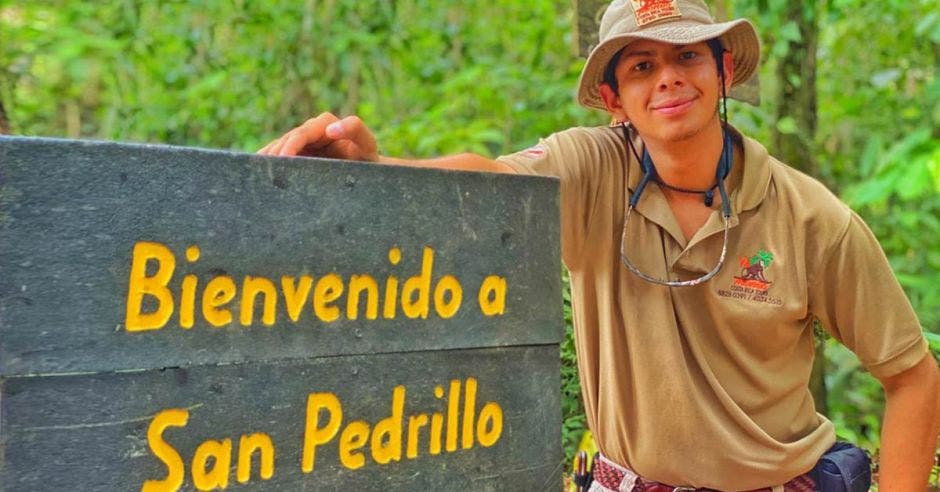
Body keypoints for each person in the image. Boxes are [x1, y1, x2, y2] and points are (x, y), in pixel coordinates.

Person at [259, 0, 940, 489]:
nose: (668, 77)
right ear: (614, 100)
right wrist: (376, 170)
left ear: (724, 71)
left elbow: (912, 375)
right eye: (641, 66)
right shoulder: (591, 174)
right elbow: (490, 179)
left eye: (686, 56)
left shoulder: (811, 218)